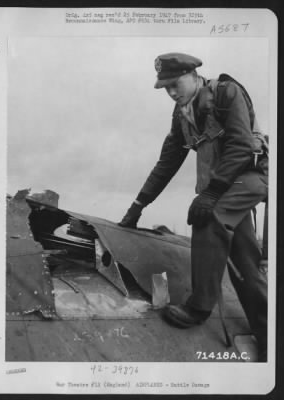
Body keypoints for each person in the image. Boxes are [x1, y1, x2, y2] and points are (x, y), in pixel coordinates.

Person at [119, 53, 268, 362]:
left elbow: (241, 146)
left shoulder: (227, 92)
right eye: (166, 88)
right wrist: (138, 205)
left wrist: (211, 194)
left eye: (175, 84)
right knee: (243, 262)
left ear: (194, 74)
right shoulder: (182, 115)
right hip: (223, 190)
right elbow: (167, 163)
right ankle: (269, 335)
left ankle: (199, 307)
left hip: (250, 177)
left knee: (206, 216)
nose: (172, 93)